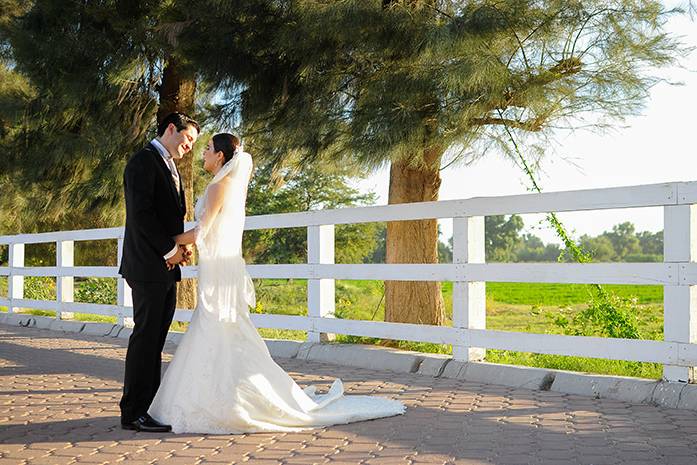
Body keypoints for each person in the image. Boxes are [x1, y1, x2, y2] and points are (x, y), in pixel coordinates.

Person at [148, 133, 405, 434]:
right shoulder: (225, 185)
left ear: (220, 156)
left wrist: (167, 243)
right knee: (221, 328)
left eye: (207, 149)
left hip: (218, 268)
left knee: (216, 326)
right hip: (220, 264)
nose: (202, 153)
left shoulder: (220, 186)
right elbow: (210, 231)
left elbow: (203, 230)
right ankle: (228, 396)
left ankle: (227, 400)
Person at [118, 112, 200, 432]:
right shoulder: (143, 161)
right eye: (188, 138)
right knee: (145, 338)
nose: (190, 146)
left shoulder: (169, 165)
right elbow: (141, 215)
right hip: (147, 265)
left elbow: (167, 217)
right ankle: (134, 412)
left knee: (156, 340)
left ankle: (148, 407)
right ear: (170, 129)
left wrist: (179, 248)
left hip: (164, 266)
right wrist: (170, 251)